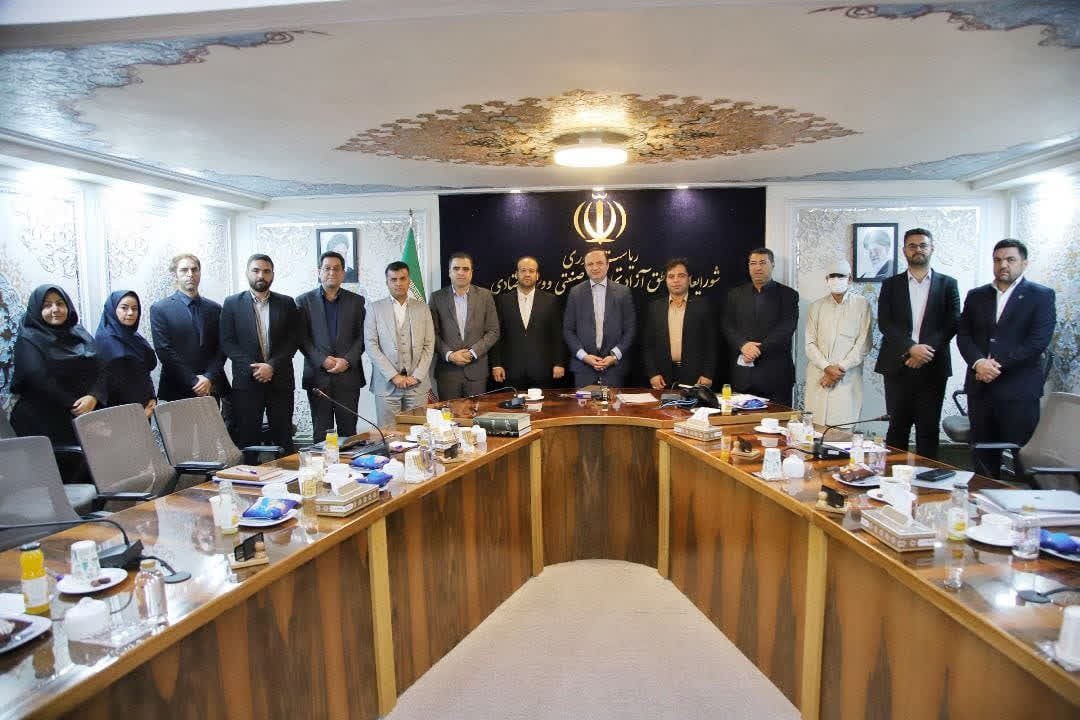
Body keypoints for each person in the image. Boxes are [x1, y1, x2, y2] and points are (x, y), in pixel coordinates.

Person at [957, 239, 1056, 478]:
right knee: (982, 459)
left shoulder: (1040, 295)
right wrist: (979, 363)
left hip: (1018, 391)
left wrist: (994, 365)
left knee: (1023, 459)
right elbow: (964, 336)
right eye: (998, 260)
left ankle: (1024, 502)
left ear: (1024, 263)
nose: (1003, 265)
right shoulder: (976, 295)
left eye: (1010, 259)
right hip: (981, 389)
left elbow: (1037, 341)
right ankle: (983, 499)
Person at [875, 229, 959, 459]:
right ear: (904, 251)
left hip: (933, 365)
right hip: (898, 366)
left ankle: (927, 478)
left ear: (932, 248)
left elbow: (952, 323)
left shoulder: (948, 284)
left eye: (923, 245)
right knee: (897, 428)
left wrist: (924, 351)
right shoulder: (891, 284)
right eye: (912, 246)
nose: (918, 249)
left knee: (928, 429)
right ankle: (893, 476)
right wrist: (911, 348)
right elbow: (885, 323)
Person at [220, 254, 299, 454]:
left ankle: (286, 474)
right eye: (255, 270)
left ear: (273, 274)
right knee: (248, 441)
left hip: (280, 381)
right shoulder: (232, 303)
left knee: (283, 439)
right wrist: (255, 367)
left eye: (266, 271)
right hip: (246, 383)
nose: (261, 275)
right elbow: (227, 342)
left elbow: (293, 340)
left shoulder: (286, 303)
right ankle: (249, 475)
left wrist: (271, 366)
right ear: (247, 273)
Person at [10, 285, 106, 445]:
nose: (55, 309)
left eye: (60, 303)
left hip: (85, 413)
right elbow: (38, 378)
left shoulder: (80, 333)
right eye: (47, 305)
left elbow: (101, 366)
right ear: (37, 309)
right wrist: (76, 406)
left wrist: (94, 396)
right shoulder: (28, 338)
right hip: (44, 420)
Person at [296, 251, 367, 441]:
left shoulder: (357, 301)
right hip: (318, 378)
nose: (332, 272)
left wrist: (347, 361)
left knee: (349, 434)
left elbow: (362, 337)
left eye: (336, 269)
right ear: (319, 272)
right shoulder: (303, 301)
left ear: (343, 273)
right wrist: (322, 360)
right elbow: (302, 338)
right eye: (327, 268)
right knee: (321, 436)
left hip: (348, 377)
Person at [721, 248, 798, 404]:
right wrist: (743, 345)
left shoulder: (788, 295)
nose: (757, 267)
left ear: (773, 265)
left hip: (776, 377)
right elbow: (727, 326)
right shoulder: (735, 295)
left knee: (777, 419)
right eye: (753, 263)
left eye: (763, 263)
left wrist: (757, 350)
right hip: (742, 375)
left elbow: (786, 328)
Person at [150, 253, 228, 404]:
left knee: (211, 422)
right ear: (175, 275)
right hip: (177, 388)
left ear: (200, 273)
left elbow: (222, 347)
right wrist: (194, 381)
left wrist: (209, 377)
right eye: (184, 270)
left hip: (210, 387)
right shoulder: (160, 309)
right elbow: (164, 351)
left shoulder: (215, 308)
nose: (190, 274)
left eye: (194, 269)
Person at [365, 261, 436, 426]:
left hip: (417, 385)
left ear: (409, 281)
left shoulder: (423, 308)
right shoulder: (374, 308)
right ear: (387, 282)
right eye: (393, 279)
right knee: (389, 433)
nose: (398, 283)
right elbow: (371, 345)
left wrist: (417, 376)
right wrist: (393, 376)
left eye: (402, 278)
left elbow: (429, 344)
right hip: (386, 385)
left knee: (418, 432)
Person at [804, 259, 872, 425]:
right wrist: (827, 368)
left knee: (843, 429)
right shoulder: (816, 307)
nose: (836, 280)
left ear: (850, 279)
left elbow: (864, 344)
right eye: (832, 276)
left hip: (846, 379)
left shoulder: (862, 305)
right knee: (815, 429)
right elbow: (810, 344)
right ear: (826, 280)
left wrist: (839, 369)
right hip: (819, 377)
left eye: (840, 276)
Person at [429, 252, 500, 399]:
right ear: (449, 272)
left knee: (475, 413)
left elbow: (493, 331)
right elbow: (431, 334)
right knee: (449, 414)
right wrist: (450, 355)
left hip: (476, 372)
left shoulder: (485, 296)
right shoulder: (437, 298)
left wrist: (473, 352)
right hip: (447, 373)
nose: (461, 272)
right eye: (456, 268)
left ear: (471, 272)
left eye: (465, 269)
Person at [563, 248, 637, 387]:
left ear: (608, 265)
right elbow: (568, 330)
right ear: (585, 267)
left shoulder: (623, 292)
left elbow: (630, 330)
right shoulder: (575, 293)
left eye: (599, 263)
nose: (595, 267)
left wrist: (614, 355)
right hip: (583, 368)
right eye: (590, 264)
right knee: (583, 402)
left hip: (614, 369)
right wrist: (584, 356)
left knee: (614, 402)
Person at [490, 256, 566, 390]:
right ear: (516, 274)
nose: (527, 274)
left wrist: (559, 363)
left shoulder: (551, 300)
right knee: (513, 404)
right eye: (523, 270)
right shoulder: (502, 301)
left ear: (537, 275)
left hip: (542, 371)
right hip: (510, 371)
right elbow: (496, 335)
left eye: (531, 271)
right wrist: (496, 364)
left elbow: (557, 335)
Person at [642, 258, 717, 390]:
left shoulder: (703, 306)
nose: (675, 280)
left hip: (695, 377)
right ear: (666, 280)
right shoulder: (655, 307)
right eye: (671, 276)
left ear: (689, 279)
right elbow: (648, 345)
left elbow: (712, 344)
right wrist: (653, 374)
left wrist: (708, 374)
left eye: (681, 276)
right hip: (663, 377)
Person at [95, 290, 157, 418]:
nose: (130, 313)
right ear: (113, 310)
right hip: (118, 413)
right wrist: (137, 412)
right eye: (124, 308)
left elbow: (144, 371)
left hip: (144, 408)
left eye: (134, 309)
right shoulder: (105, 340)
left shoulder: (135, 338)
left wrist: (151, 398)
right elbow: (106, 383)